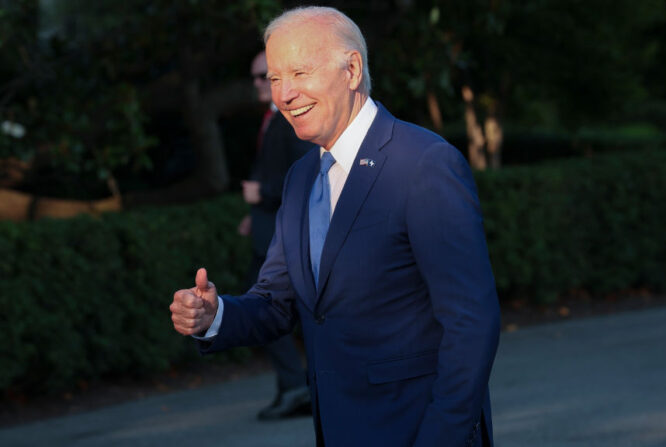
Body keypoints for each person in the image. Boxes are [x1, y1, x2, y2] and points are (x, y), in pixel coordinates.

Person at [170, 6, 501, 446]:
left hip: (419, 430)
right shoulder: (301, 177)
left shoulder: (423, 164)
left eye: (300, 73)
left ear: (351, 70)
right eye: (274, 78)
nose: (284, 94)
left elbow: (471, 323)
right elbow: (276, 302)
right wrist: (215, 316)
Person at [238, 50, 314, 420]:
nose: (257, 84)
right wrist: (253, 214)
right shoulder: (272, 119)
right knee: (267, 308)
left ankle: (298, 386)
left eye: (263, 77)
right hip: (267, 228)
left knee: (264, 309)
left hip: (280, 233)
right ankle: (294, 387)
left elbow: (301, 174)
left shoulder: (289, 121)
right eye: (255, 77)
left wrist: (262, 194)